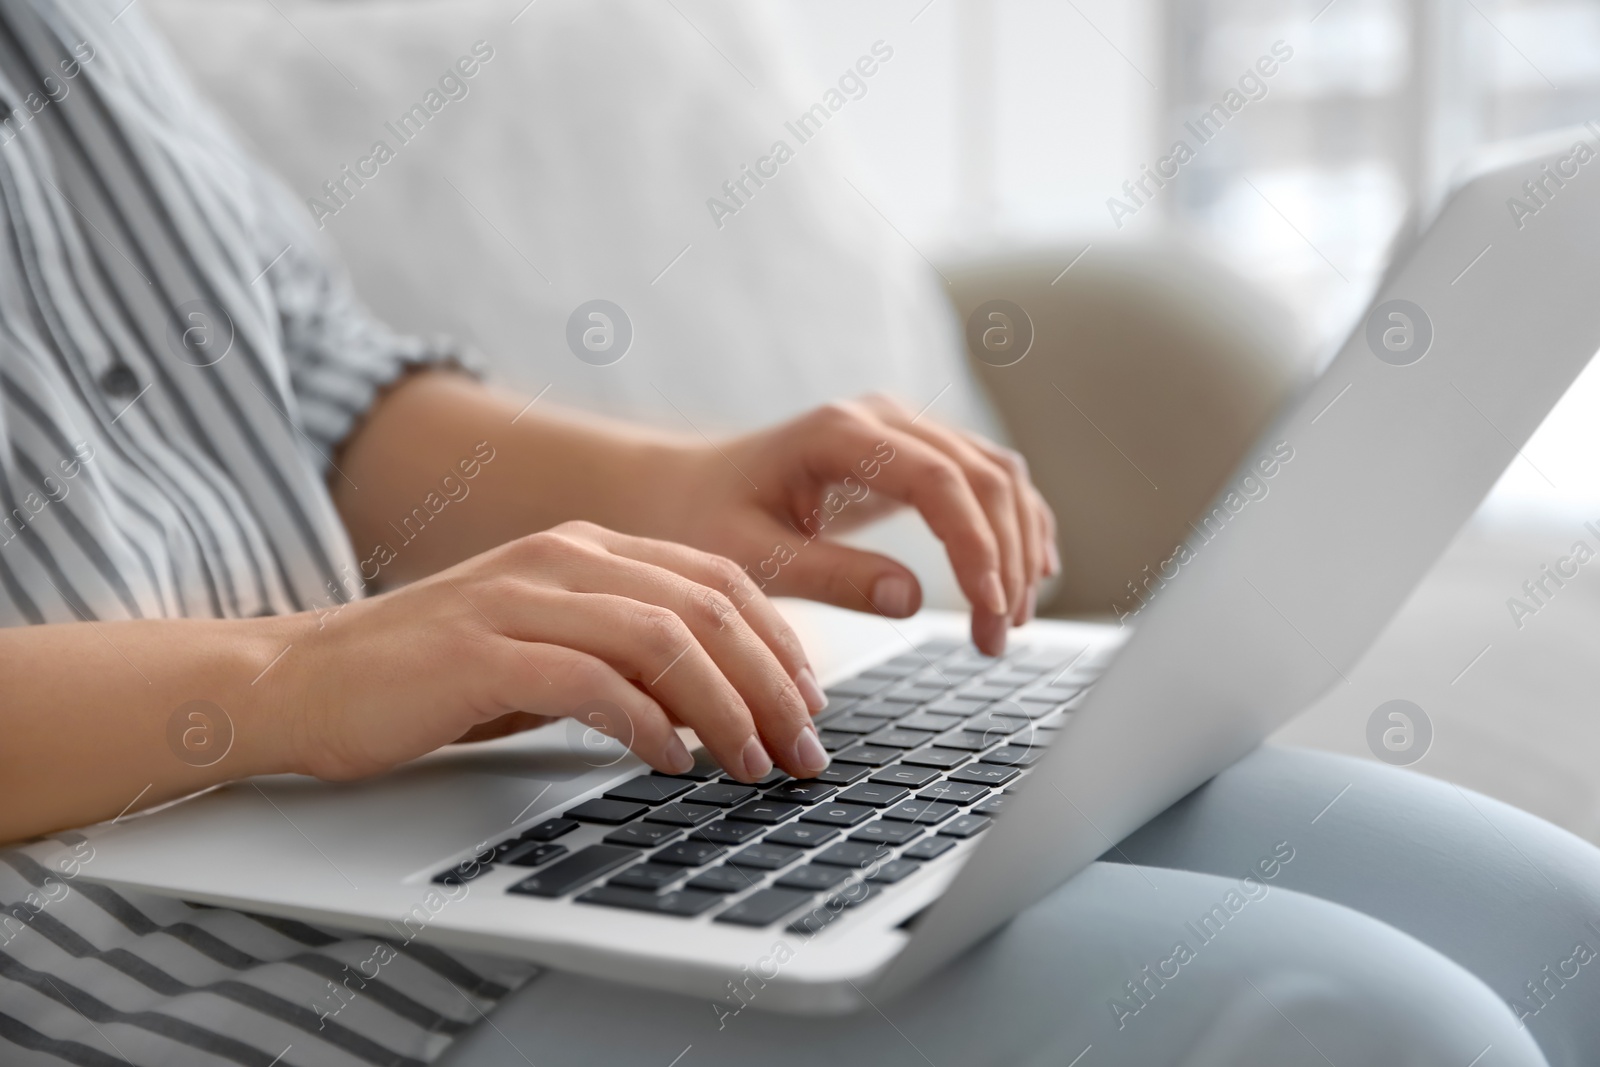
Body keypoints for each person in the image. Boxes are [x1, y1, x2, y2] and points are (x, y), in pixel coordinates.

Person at [0, 2, 1596, 1065]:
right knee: (1352, 1028)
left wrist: (679, 481)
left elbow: (301, 369)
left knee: (1553, 934)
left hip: (386, 814)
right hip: (116, 950)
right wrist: (289, 676)